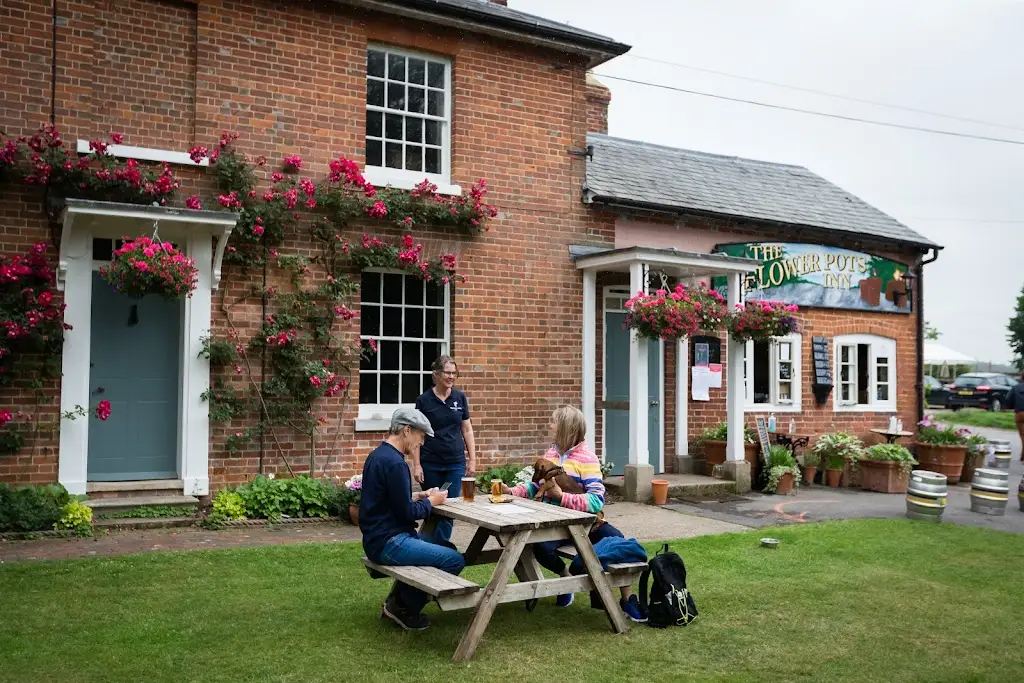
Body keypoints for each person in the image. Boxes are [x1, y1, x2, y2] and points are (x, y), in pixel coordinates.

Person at [504, 405, 647, 623]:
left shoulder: (587, 459)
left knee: (617, 541)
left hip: (587, 524)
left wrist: (562, 497)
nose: (549, 425)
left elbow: (596, 500)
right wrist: (512, 491)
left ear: (566, 428)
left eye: (553, 421)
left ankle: (627, 598)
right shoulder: (551, 454)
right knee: (537, 545)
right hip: (557, 524)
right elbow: (536, 486)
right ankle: (566, 578)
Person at [359, 407, 464, 632]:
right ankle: (403, 607)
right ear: (407, 430)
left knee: (446, 546)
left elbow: (389, 500)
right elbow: (407, 513)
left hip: (377, 538)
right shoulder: (396, 464)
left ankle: (399, 600)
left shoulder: (377, 455)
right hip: (390, 542)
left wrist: (420, 495)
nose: (422, 442)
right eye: (421, 435)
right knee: (454, 560)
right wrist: (432, 502)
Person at [413, 355, 476, 542]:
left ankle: (439, 548)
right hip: (430, 463)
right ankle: (426, 547)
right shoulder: (424, 400)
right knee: (432, 508)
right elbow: (416, 435)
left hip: (455, 463)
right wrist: (416, 465)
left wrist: (472, 458)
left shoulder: (460, 397)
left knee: (449, 508)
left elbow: (466, 428)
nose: (451, 377)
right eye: (447, 373)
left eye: (454, 373)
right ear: (437, 375)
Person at [1008, 370, 1024, 460]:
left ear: (1021, 377)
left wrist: (1012, 407)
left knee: (1022, 435)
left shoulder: (1016, 388)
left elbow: (1008, 399)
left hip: (1020, 413)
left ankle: (1023, 456)